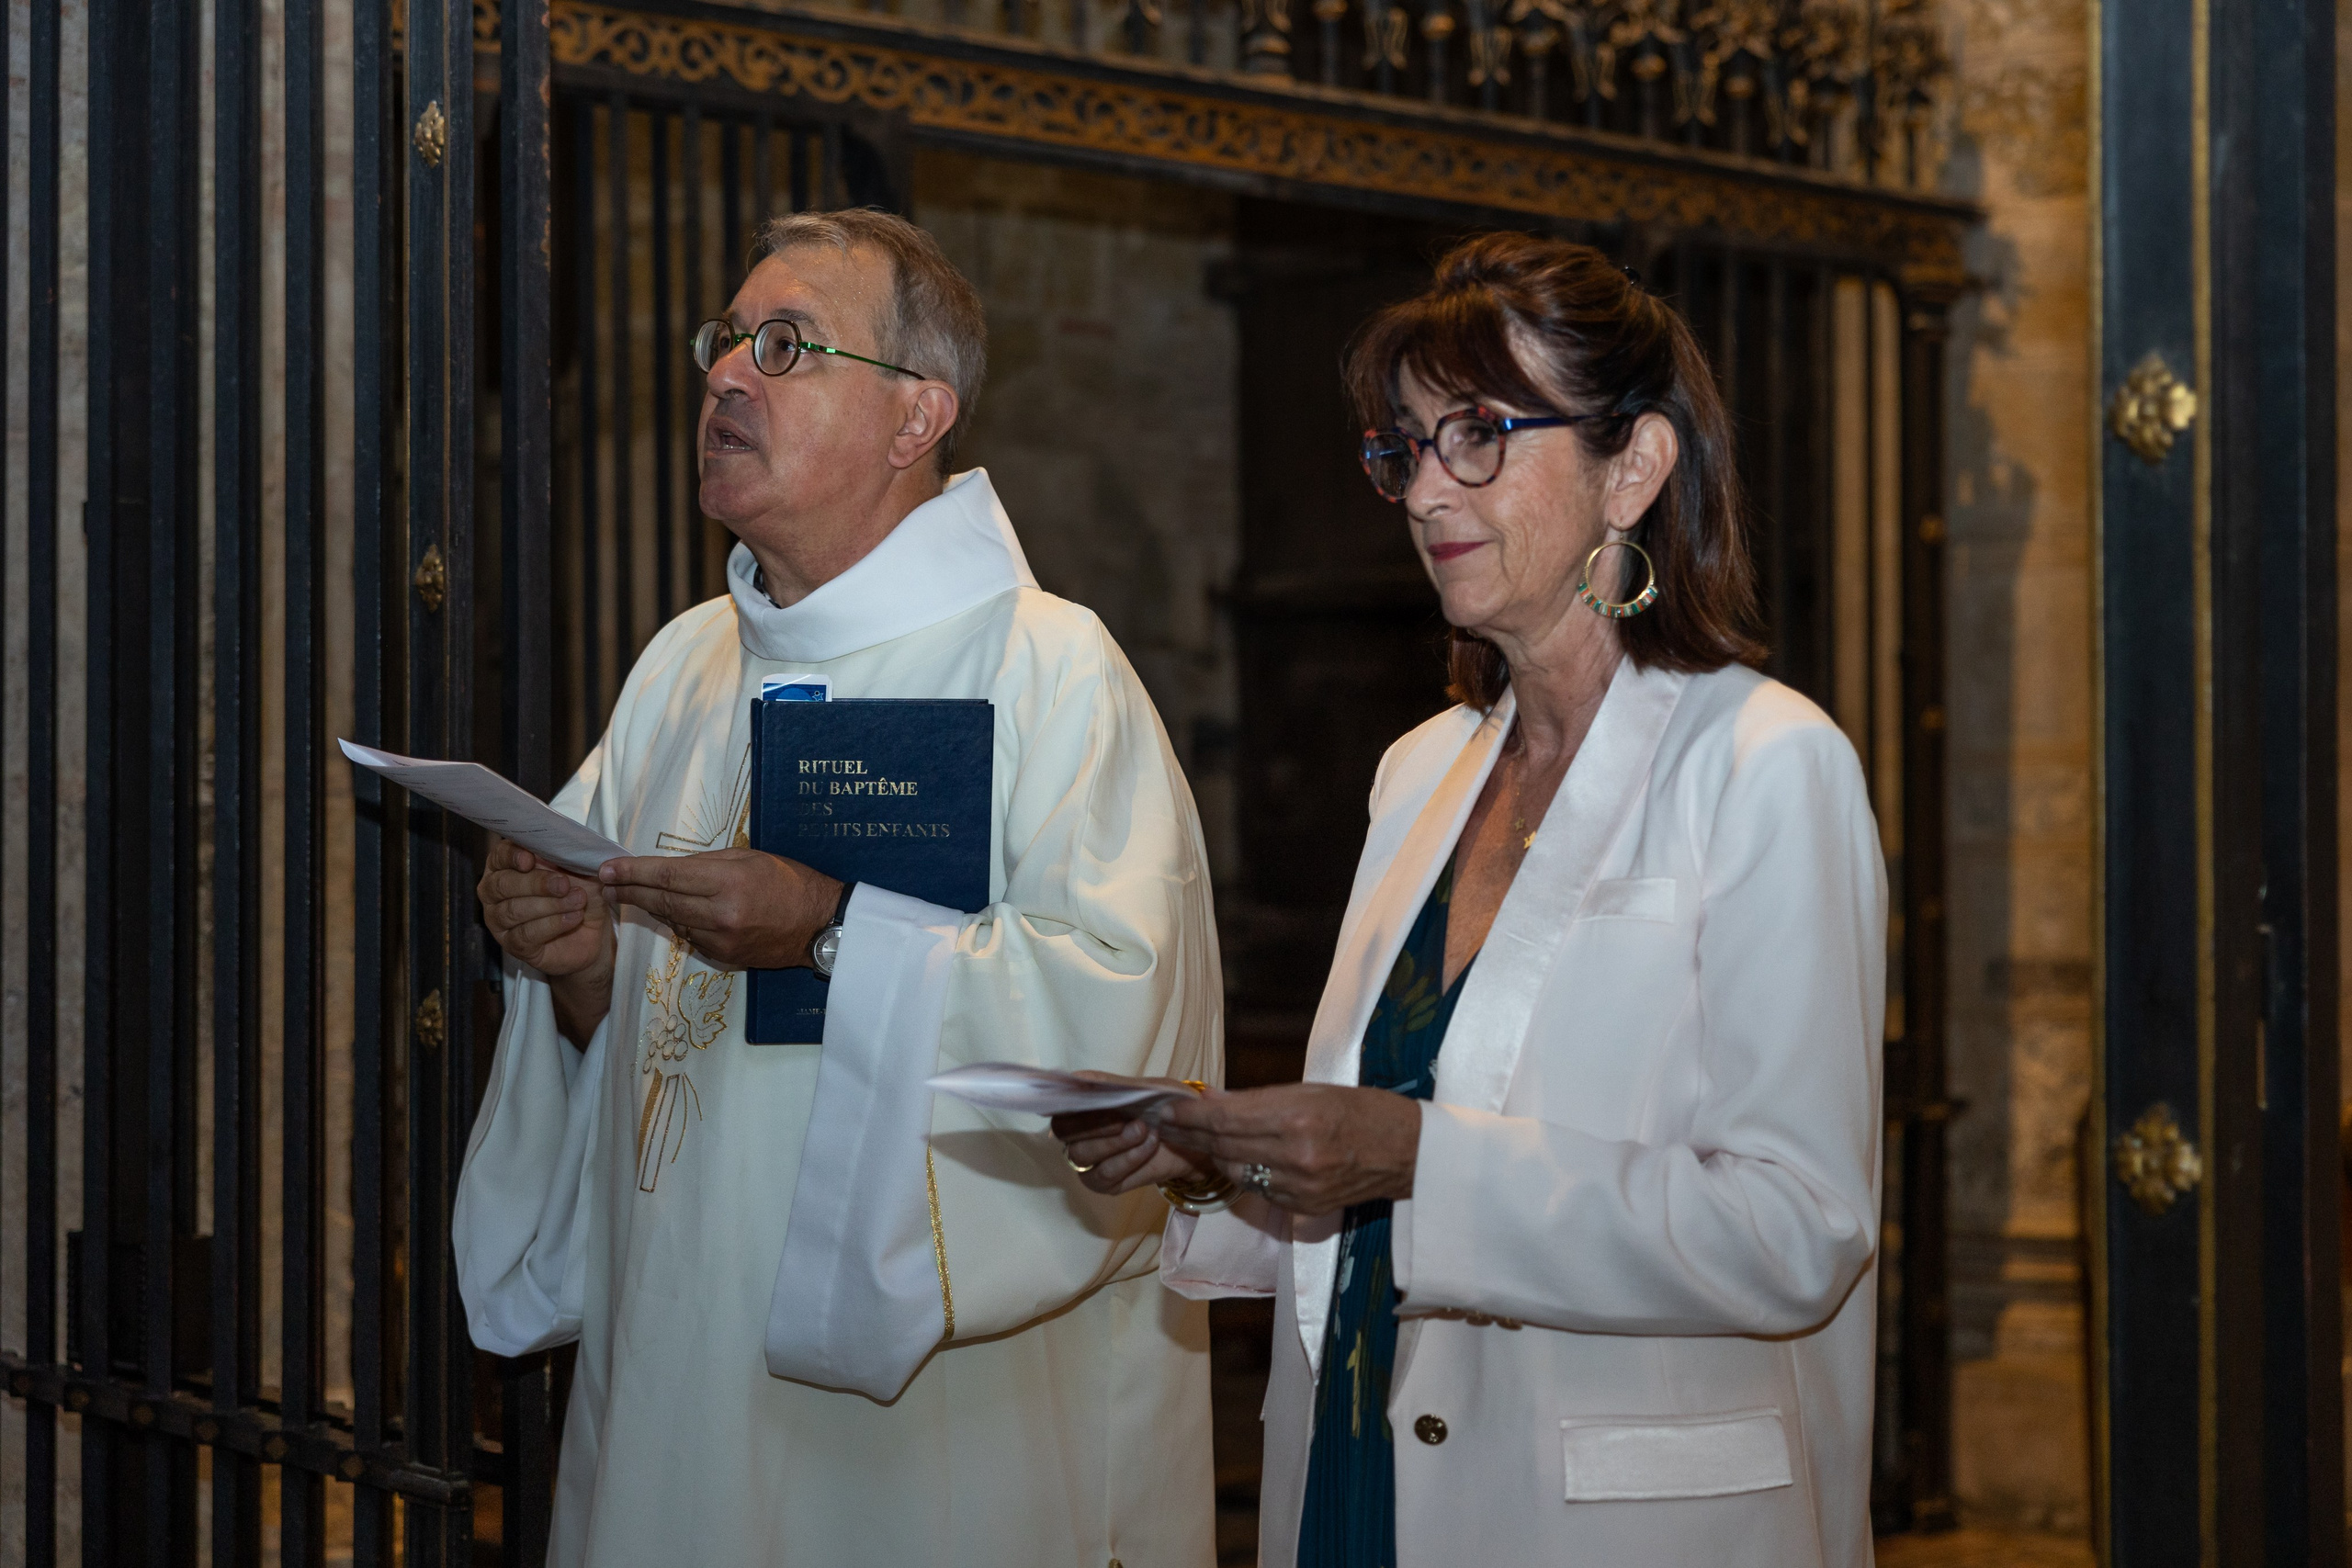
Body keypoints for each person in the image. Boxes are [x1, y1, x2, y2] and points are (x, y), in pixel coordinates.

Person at [1056, 233, 1886, 1568]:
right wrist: (1229, 1159)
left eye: (1480, 435)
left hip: (1613, 1522)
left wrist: (1419, 1160)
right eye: (1407, 446)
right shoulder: (1420, 772)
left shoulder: (1766, 766)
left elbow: (1800, 1229)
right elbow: (1375, 1172)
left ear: (1636, 467)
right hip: (1360, 1465)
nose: (1426, 487)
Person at [456, 209, 1219, 1567]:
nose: (726, 376)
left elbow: (1120, 1035)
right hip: (676, 1359)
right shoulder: (684, 667)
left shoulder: (1050, 672)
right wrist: (573, 967)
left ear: (918, 416)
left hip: (922, 1422)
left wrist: (828, 931)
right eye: (726, 343)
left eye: (787, 345)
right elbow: (631, 1042)